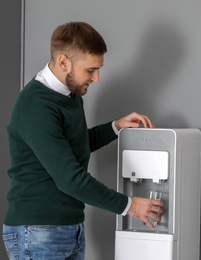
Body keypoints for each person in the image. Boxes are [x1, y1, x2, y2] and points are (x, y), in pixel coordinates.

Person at [2, 21, 164, 259]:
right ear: (63, 62)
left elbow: (72, 146)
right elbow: (71, 180)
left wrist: (114, 127)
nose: (97, 78)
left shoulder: (70, 93)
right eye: (90, 70)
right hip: (37, 232)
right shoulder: (36, 106)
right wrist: (130, 206)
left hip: (69, 228)